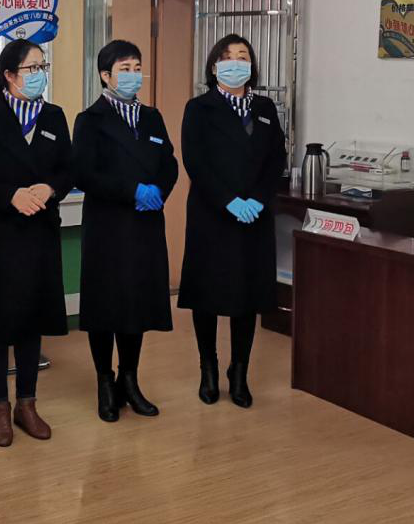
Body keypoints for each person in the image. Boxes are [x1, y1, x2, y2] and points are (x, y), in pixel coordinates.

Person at [0, 39, 72, 446]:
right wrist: (10, 195)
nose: (39, 74)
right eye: (31, 68)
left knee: (31, 322)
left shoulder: (53, 116)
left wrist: (50, 188)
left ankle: (27, 403)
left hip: (40, 232)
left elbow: (68, 169)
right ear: (8, 75)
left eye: (42, 66)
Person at [72, 40, 178, 422]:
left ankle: (129, 379)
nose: (133, 75)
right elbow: (83, 173)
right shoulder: (90, 119)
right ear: (105, 75)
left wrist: (159, 191)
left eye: (136, 67)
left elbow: (169, 162)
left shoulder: (151, 117)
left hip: (145, 224)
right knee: (106, 305)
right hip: (108, 225)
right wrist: (131, 190)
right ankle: (105, 380)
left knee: (138, 304)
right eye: (124, 69)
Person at [178, 34, 286, 408]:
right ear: (214, 66)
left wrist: (258, 198)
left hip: (254, 216)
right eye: (227, 57)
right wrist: (229, 200)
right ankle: (208, 368)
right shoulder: (199, 108)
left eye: (242, 56)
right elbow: (195, 161)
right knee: (206, 295)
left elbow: (276, 159)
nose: (235, 63)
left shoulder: (265, 107)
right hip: (212, 215)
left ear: (252, 66)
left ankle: (239, 372)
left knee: (246, 296)